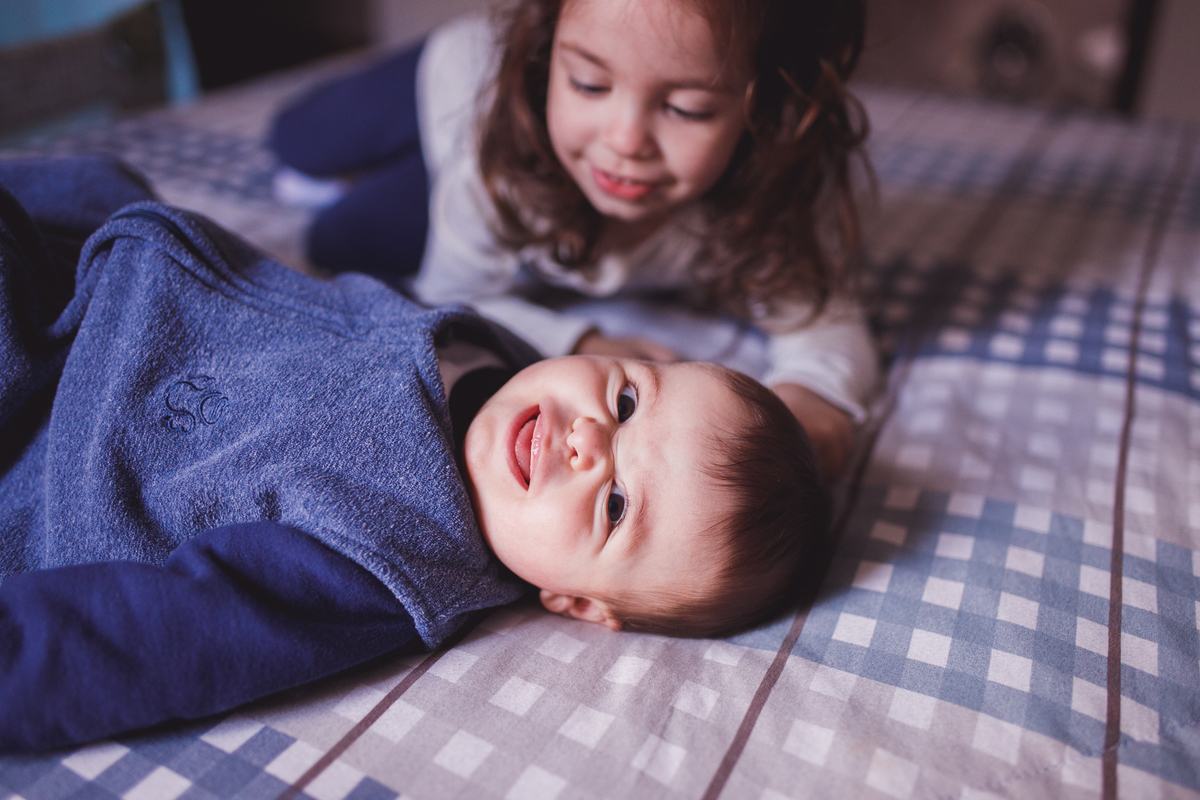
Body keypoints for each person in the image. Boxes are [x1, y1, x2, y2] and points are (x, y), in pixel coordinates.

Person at [0, 156, 829, 752]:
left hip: (61, 435)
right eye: (624, 402)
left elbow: (158, 640)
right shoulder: (495, 356)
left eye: (615, 505)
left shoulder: (390, 558)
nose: (587, 441)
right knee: (94, 183)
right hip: (118, 274)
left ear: (575, 602)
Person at [269, 0, 878, 479]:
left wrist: (813, 400)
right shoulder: (508, 157)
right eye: (589, 83)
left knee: (334, 239)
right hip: (461, 91)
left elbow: (825, 325)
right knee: (298, 142)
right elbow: (451, 297)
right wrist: (583, 339)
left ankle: (393, 178)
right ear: (546, 52)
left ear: (769, 108)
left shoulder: (776, 200)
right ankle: (360, 160)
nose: (625, 139)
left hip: (481, 166)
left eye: (687, 108)